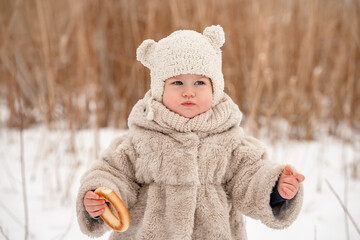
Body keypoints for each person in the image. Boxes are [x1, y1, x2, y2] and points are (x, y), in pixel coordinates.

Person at [76, 25, 305, 240]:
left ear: (215, 88)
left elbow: (250, 178)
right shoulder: (141, 139)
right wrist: (100, 200)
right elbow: (113, 172)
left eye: (199, 83)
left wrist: (276, 189)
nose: (188, 92)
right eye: (177, 83)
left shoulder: (231, 141)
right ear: (159, 89)